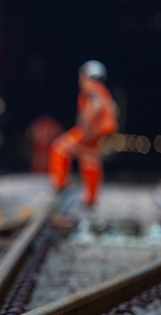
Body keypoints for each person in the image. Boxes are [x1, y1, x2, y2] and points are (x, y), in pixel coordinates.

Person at [49, 60, 118, 206]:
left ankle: (60, 185)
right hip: (95, 135)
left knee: (60, 148)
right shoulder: (103, 91)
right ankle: (91, 199)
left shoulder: (93, 88)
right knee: (90, 161)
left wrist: (85, 122)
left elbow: (96, 106)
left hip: (88, 133)